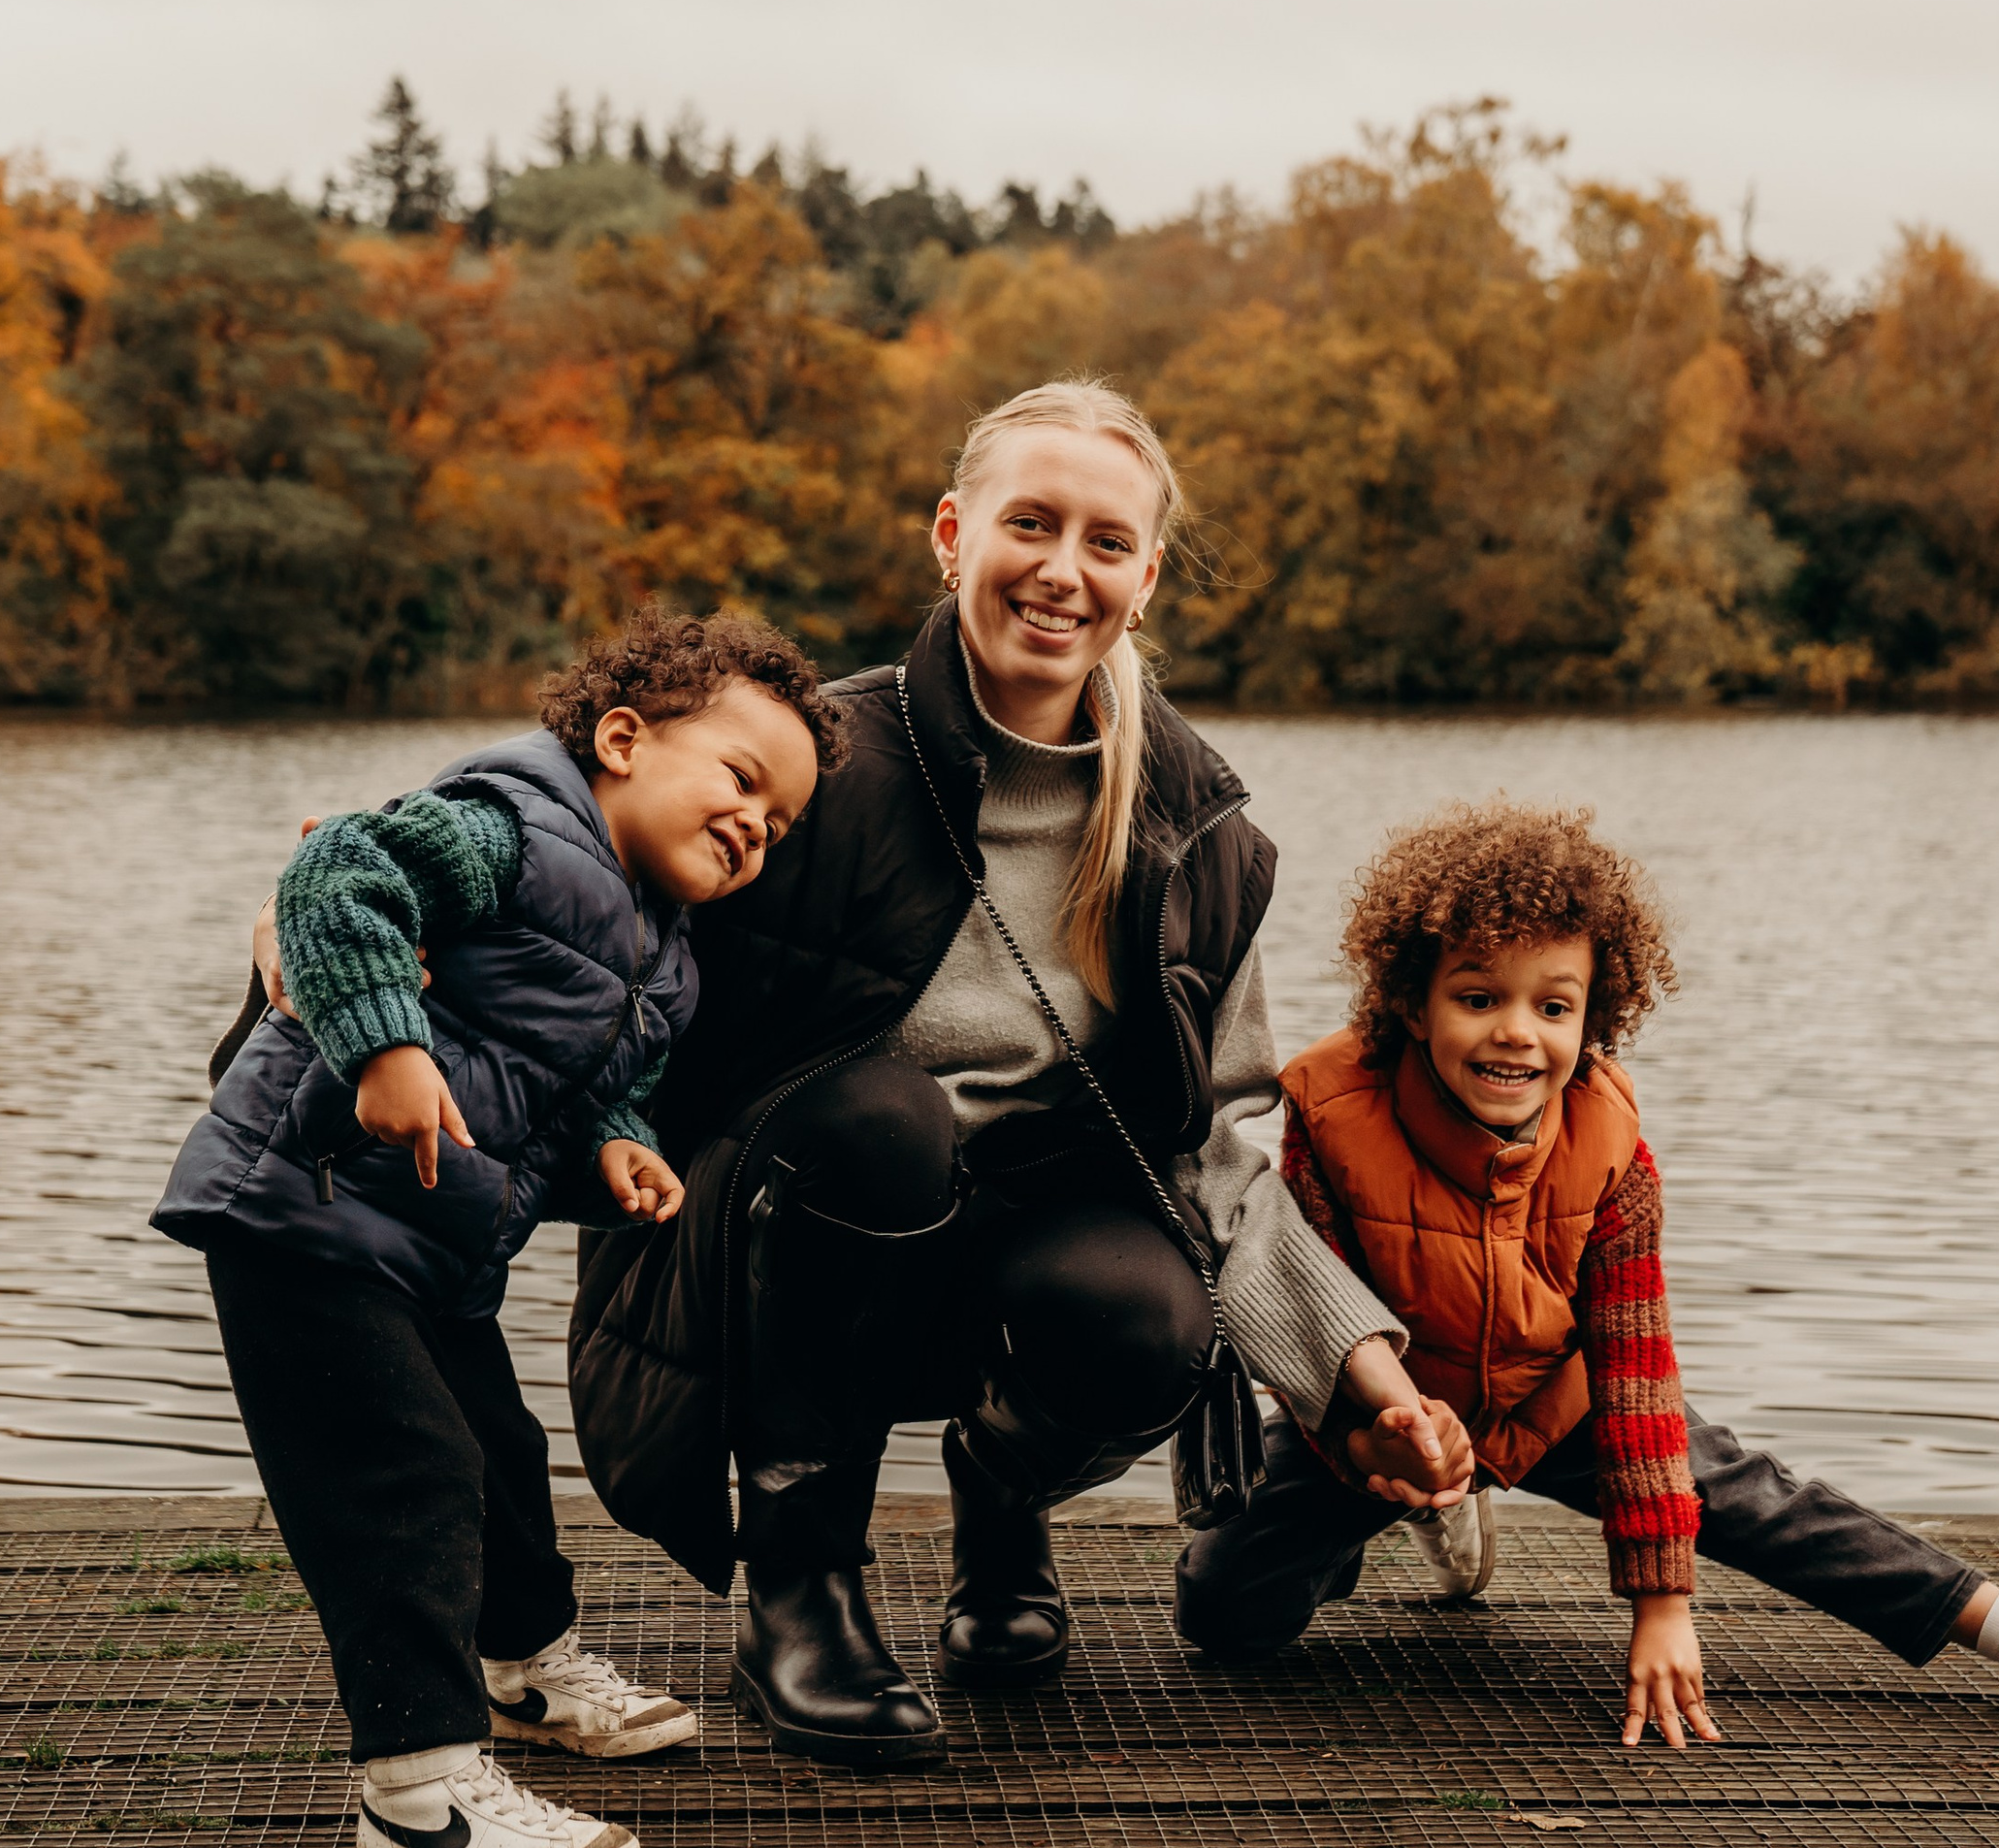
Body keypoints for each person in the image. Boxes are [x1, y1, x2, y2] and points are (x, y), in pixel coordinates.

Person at [568, 378, 1467, 1770]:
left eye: (1106, 542)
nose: (1063, 571)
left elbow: (1226, 1144)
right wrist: (342, 912)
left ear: (1145, 575)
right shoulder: (816, 759)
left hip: (1003, 1254)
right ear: (951, 535)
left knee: (1142, 1311)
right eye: (1029, 524)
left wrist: (1362, 1372)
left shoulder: (1196, 832)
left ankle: (1003, 1491)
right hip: (775, 1250)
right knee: (882, 1115)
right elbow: (561, 850)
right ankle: (801, 1586)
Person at [1174, 796, 1999, 1751]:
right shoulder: (1327, 1124)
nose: (1516, 1032)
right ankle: (1430, 1503)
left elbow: (1639, 1372)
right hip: (1394, 1410)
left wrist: (1662, 1600)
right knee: (1222, 1611)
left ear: (1595, 1012)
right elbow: (1303, 1320)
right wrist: (1367, 1442)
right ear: (1412, 1000)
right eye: (1476, 997)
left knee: (1764, 1500)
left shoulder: (1613, 1152)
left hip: (1562, 1396)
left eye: (1553, 1004)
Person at [153, 609, 842, 1848]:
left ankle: (522, 1666)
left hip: (427, 1249)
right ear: (623, 739)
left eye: (780, 823)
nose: (756, 824)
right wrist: (386, 1046)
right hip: (302, 1211)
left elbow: (569, 1080)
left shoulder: (663, 950)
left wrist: (616, 1145)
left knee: (498, 1460)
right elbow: (335, 875)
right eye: (742, 780)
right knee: (404, 1483)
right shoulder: (513, 830)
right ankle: (420, 1801)